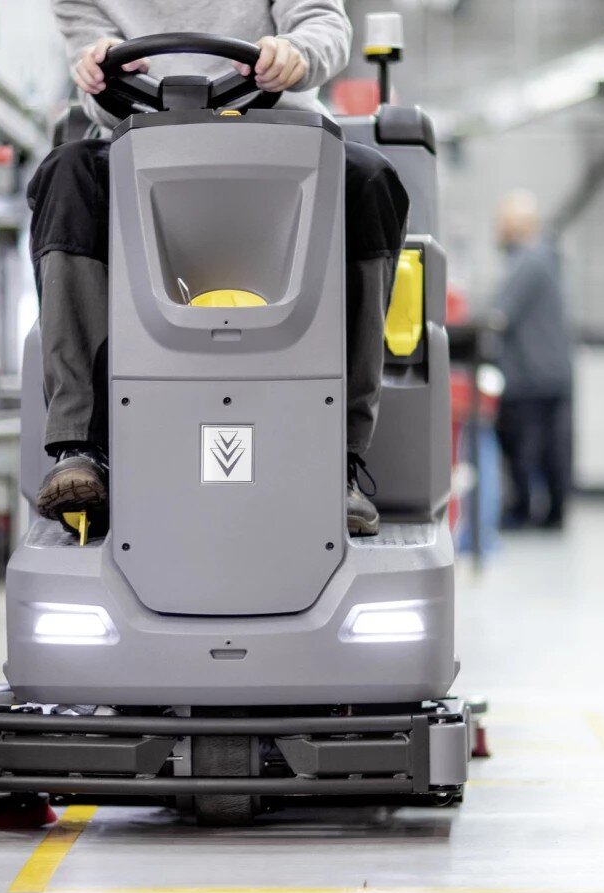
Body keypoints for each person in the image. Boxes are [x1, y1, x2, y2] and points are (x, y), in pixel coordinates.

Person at [29, 0, 409, 536]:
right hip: (142, 149)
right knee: (66, 173)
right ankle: (81, 450)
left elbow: (323, 22)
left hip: (279, 145)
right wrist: (95, 64)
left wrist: (296, 54)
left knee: (370, 181)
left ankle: (337, 457)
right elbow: (89, 55)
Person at [492, 190, 572, 529]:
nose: (498, 230)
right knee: (552, 448)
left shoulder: (528, 260)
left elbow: (501, 313)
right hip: (551, 371)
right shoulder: (546, 258)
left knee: (524, 447)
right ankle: (554, 513)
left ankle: (523, 511)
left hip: (531, 375)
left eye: (503, 223)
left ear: (517, 225)